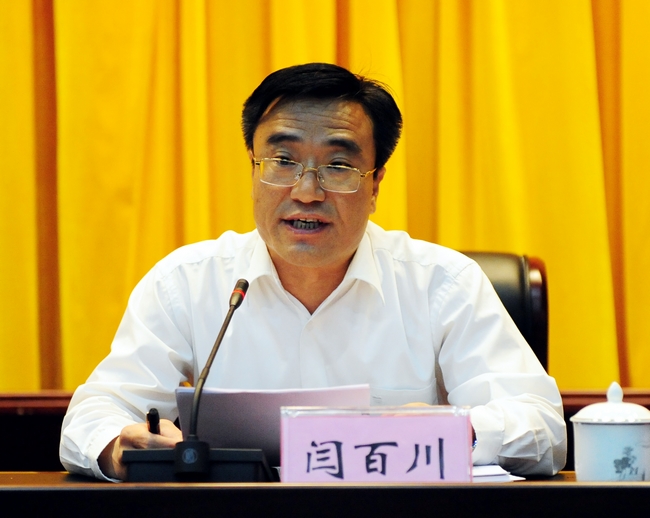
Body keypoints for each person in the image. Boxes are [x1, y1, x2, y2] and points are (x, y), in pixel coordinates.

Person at [60, 63, 567, 481]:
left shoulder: (443, 283)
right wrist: (119, 446)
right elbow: (93, 416)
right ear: (253, 169)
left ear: (375, 185)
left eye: (338, 167)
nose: (306, 192)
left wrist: (451, 430)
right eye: (282, 160)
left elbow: (542, 427)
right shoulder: (187, 282)